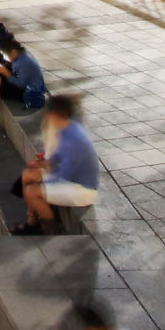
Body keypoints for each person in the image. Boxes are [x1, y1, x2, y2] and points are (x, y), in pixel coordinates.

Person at [17, 92, 101, 233]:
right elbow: (60, 156)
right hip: (69, 178)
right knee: (28, 175)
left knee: (32, 192)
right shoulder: (67, 129)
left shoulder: (75, 139)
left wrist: (42, 183)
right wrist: (47, 163)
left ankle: (51, 229)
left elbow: (64, 175)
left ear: (57, 114)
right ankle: (32, 221)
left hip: (82, 189)